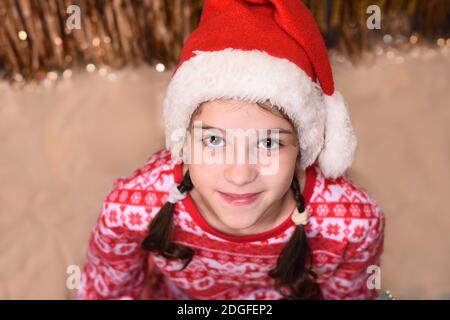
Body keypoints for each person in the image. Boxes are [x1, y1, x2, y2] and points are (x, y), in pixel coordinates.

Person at [77, 0, 385, 300]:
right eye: (214, 141)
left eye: (268, 143)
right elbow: (104, 292)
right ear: (184, 141)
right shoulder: (132, 209)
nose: (239, 175)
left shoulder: (350, 226)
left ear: (304, 149)